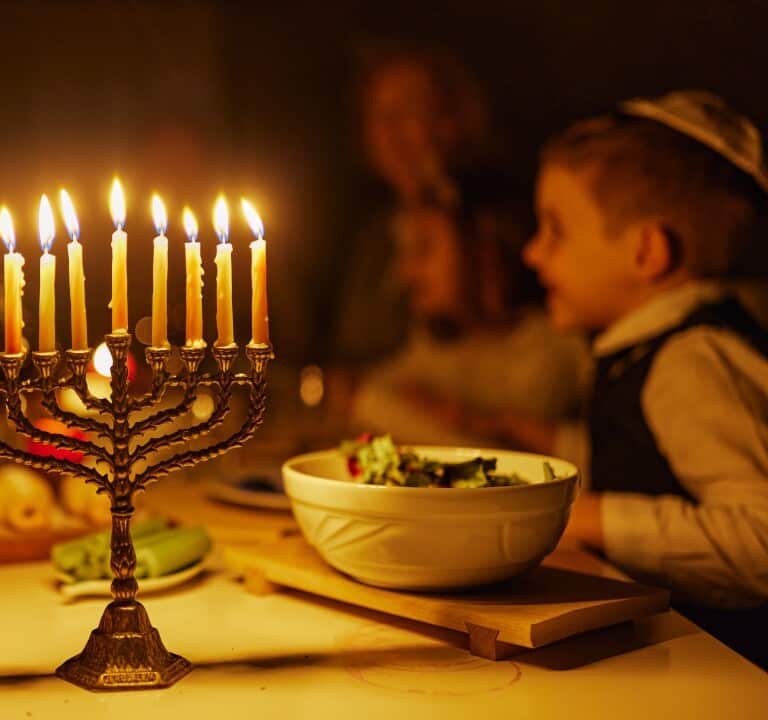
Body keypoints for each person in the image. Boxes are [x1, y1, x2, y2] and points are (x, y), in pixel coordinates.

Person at [524, 90, 768, 666]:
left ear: (646, 251)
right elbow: (652, 460)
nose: (533, 253)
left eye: (555, 229)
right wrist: (539, 441)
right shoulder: (648, 353)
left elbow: (760, 537)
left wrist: (588, 517)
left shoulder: (691, 360)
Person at [347, 167, 588, 446]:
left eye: (424, 249)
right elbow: (374, 390)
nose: (406, 272)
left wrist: (470, 420)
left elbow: (498, 459)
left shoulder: (549, 351)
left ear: (482, 252)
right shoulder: (434, 349)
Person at [325, 45, 493, 368]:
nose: (389, 130)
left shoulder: (487, 225)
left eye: (408, 110)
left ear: (450, 120)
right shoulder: (373, 236)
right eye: (377, 114)